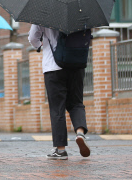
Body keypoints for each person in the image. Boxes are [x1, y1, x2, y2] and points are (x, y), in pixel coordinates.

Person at [28, 24, 91, 160]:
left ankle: (60, 150)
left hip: (53, 67)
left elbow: (33, 37)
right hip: (76, 65)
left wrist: (40, 45)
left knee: (57, 108)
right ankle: (80, 133)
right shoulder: (81, 11)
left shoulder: (43, 12)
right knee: (77, 103)